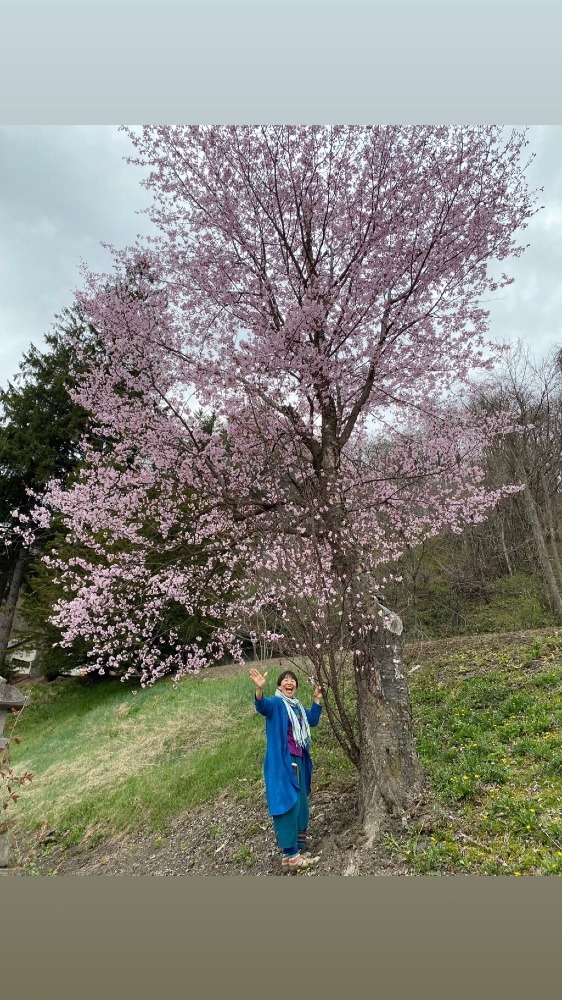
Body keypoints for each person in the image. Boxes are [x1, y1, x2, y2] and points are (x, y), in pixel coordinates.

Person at [249, 665, 323, 873]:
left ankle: (295, 854)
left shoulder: (297, 707)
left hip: (298, 760)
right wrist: (259, 690)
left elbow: (313, 720)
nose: (289, 682)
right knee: (288, 804)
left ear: (296, 687)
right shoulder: (277, 705)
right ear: (279, 686)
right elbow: (262, 706)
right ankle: (291, 854)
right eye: (285, 680)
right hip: (283, 762)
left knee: (301, 804)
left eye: (293, 680)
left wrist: (316, 698)